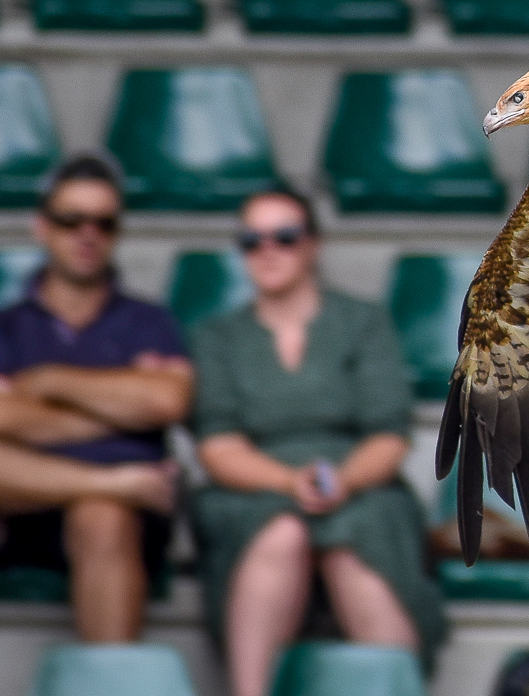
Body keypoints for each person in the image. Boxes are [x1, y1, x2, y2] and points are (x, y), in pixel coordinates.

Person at [0, 152, 192, 642]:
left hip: (127, 515)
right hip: (18, 507)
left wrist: (49, 382)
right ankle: (104, 484)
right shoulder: (0, 326)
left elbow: (167, 403)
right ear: (41, 227)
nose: (87, 234)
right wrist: (118, 414)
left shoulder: (152, 321)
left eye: (103, 223)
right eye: (71, 220)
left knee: (100, 514)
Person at [187, 188, 445, 696]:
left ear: (312, 245)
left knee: (357, 537)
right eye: (252, 240)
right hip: (253, 486)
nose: (268, 250)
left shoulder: (363, 321)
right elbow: (217, 446)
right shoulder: (216, 336)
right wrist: (288, 481)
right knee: (280, 530)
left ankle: (395, 685)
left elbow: (389, 436)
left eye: (284, 236)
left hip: (361, 482)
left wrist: (341, 481)